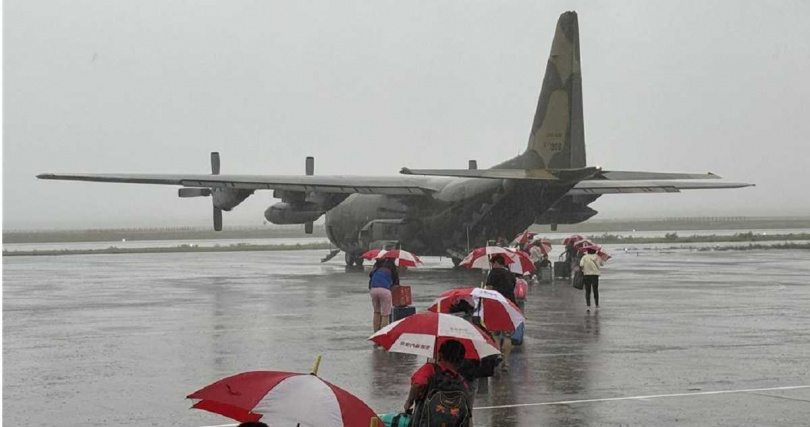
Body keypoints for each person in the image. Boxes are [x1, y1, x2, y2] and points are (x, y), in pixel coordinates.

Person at [405, 340, 471, 427]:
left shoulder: (429, 369)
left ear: (440, 355)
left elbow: (417, 384)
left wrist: (409, 402)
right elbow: (467, 413)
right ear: (461, 360)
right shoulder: (462, 382)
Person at [485, 255, 516, 370]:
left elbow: (488, 290)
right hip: (510, 307)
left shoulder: (493, 273)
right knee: (508, 336)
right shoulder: (511, 274)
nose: (492, 266)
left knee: (495, 334)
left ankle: (498, 356)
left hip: (496, 307)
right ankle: (506, 363)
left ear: (496, 263)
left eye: (492, 263)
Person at [369, 258, 399, 332]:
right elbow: (396, 284)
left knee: (376, 312)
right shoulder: (391, 267)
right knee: (385, 314)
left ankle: (375, 332)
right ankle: (382, 333)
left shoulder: (376, 267)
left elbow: (370, 276)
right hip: (385, 291)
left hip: (373, 290)